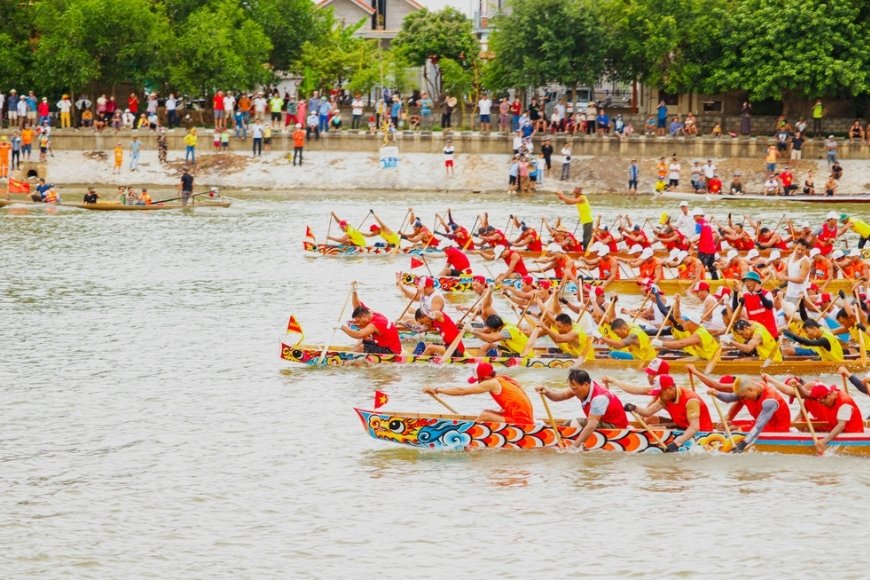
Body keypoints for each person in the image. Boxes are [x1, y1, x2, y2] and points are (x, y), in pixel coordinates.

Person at [691, 369, 791, 453]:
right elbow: (729, 398)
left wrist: (744, 443)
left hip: (777, 429)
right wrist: (716, 393)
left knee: (734, 429)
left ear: (750, 389)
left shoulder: (770, 401)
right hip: (761, 424)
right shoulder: (749, 389)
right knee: (726, 425)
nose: (744, 399)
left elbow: (759, 425)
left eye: (744, 396)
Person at [536, 369, 629, 448]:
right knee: (567, 423)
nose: (573, 392)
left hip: (616, 427)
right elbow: (560, 396)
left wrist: (574, 447)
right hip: (603, 421)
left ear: (585, 384)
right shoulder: (582, 387)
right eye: (572, 388)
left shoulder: (599, 398)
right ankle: (557, 439)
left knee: (575, 422)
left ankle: (561, 442)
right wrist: (547, 392)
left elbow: (592, 425)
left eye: (575, 389)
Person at [624, 374, 713, 452]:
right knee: (649, 422)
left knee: (652, 429)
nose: (658, 395)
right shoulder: (665, 397)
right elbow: (647, 412)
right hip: (682, 427)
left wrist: (676, 443)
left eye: (660, 392)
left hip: (701, 433)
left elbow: (694, 427)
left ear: (670, 388)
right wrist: (634, 408)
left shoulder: (690, 400)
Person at [423, 363, 534, 424]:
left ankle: (466, 434)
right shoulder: (502, 378)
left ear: (486, 377)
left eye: (479, 380)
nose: (478, 382)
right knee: (487, 412)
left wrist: (437, 390)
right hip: (522, 416)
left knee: (485, 416)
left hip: (522, 421)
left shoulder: (492, 383)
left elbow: (462, 391)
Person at [340, 286, 402, 355]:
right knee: (362, 340)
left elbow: (359, 334)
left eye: (358, 321)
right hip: (384, 344)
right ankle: (350, 353)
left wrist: (342, 327)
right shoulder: (370, 313)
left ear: (364, 317)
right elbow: (357, 306)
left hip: (392, 351)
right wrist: (354, 292)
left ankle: (348, 357)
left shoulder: (375, 324)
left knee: (362, 347)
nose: (358, 323)